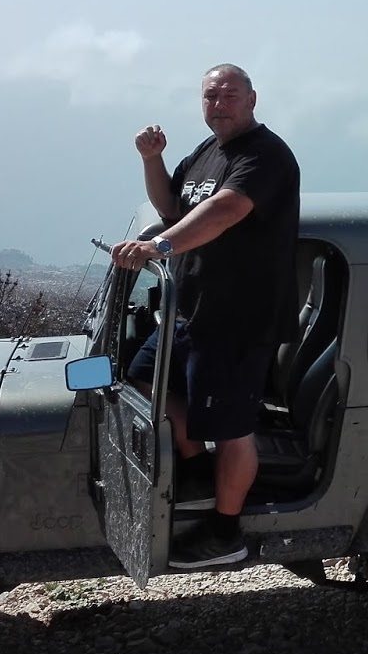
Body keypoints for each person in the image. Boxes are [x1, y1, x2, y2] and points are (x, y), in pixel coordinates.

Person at [110, 64, 300, 569]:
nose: (219, 104)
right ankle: (196, 467)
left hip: (238, 319)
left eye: (229, 95)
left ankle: (225, 533)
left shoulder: (265, 154)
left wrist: (157, 247)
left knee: (234, 428)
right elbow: (173, 207)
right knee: (142, 379)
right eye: (211, 96)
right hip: (190, 311)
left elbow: (226, 210)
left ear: (252, 99)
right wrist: (153, 159)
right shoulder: (206, 151)